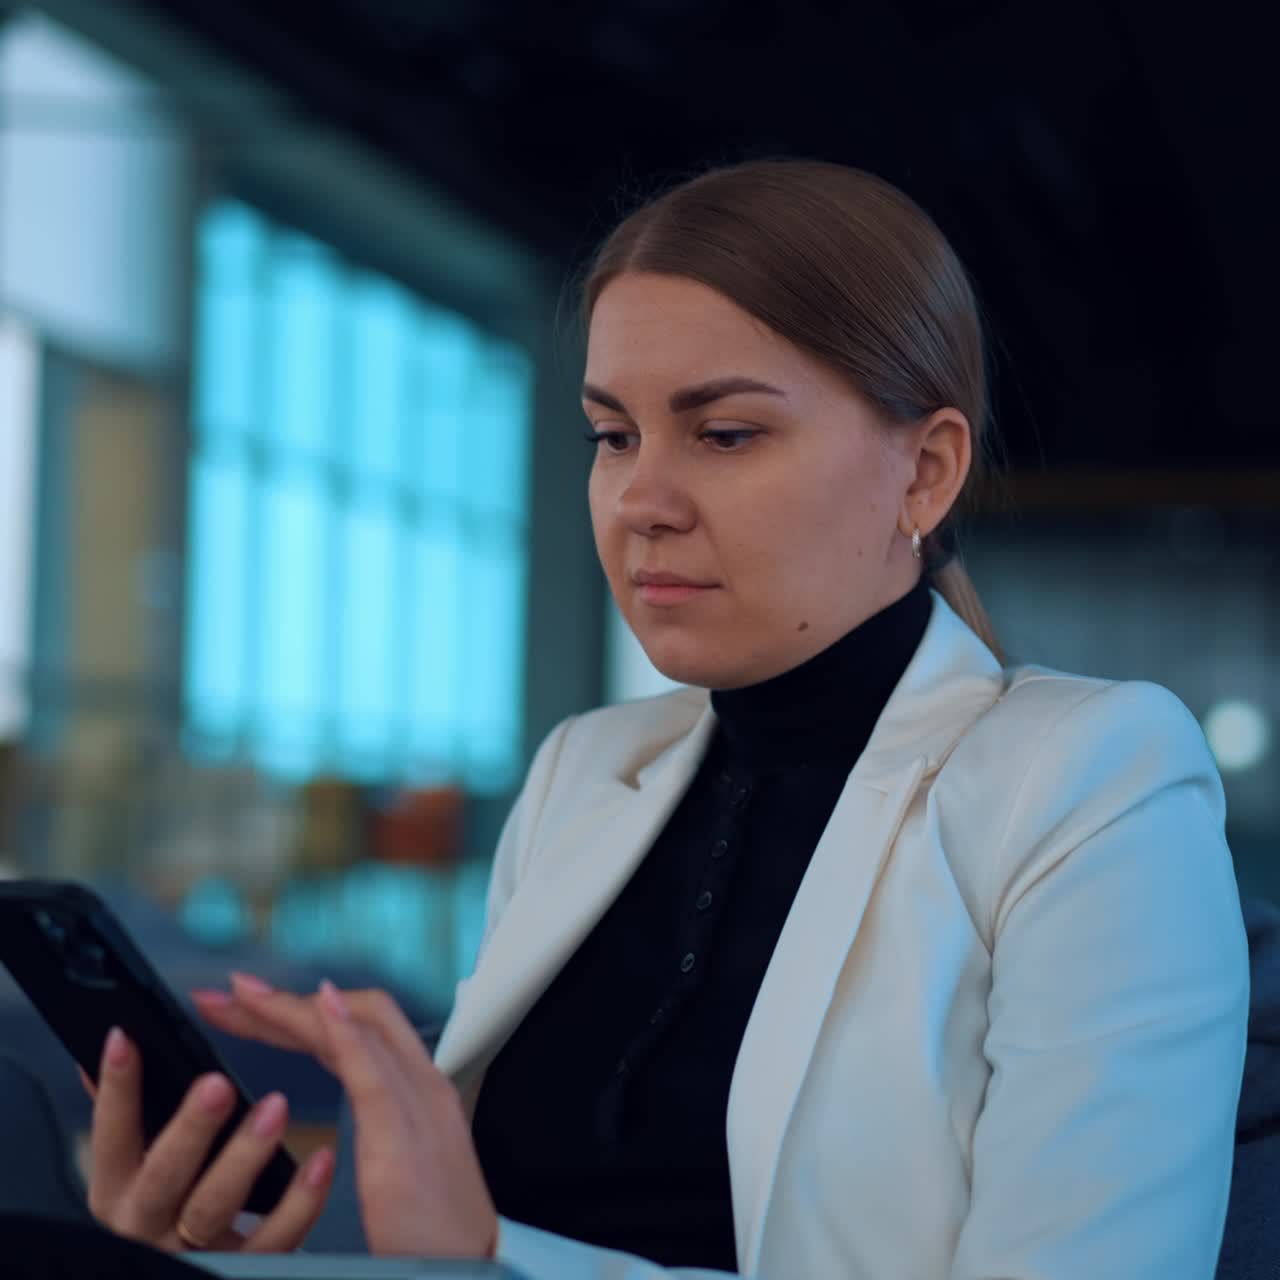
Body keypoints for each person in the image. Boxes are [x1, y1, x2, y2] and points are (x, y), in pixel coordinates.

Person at [82, 159, 1249, 1277]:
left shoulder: (1092, 780)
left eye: (725, 433)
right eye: (611, 435)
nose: (641, 501)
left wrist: (489, 1257)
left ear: (925, 473)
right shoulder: (581, 775)